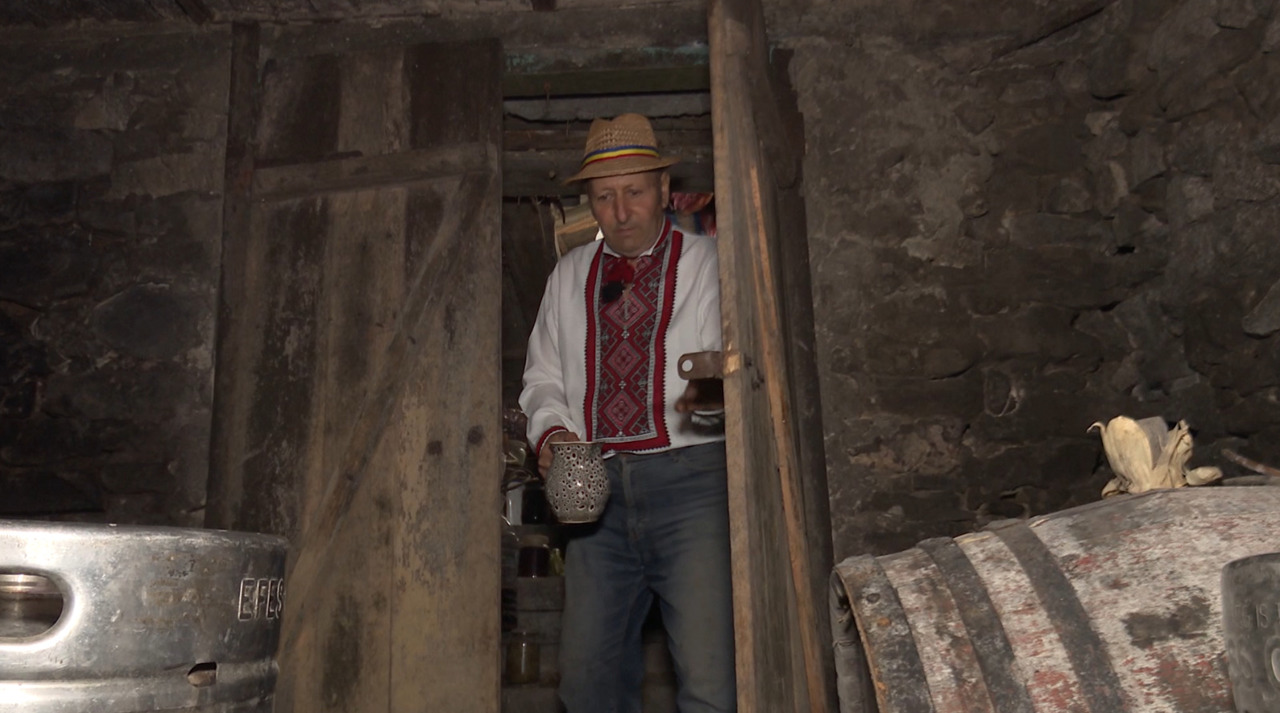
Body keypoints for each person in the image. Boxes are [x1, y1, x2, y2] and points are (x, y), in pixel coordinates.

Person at [520, 113, 735, 713]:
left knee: (711, 679)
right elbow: (542, 376)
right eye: (604, 197)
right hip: (596, 498)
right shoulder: (568, 275)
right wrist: (557, 437)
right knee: (587, 683)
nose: (620, 211)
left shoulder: (713, 265)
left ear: (665, 190)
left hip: (694, 483)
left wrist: (715, 392)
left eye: (634, 192)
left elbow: (738, 367)